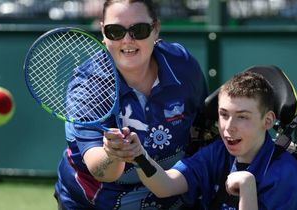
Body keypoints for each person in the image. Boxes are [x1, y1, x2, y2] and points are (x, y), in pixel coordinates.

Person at [54, 0, 208, 209]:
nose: (127, 40)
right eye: (115, 31)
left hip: (170, 196)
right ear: (102, 32)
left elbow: (202, 126)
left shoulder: (182, 64)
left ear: (155, 29)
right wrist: (113, 153)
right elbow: (101, 171)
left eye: (139, 30)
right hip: (95, 201)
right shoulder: (87, 86)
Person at [129, 71, 297, 209]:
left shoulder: (285, 173)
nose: (229, 126)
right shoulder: (217, 153)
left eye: (242, 117)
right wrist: (139, 156)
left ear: (267, 121)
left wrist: (247, 188)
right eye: (224, 114)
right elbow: (165, 186)